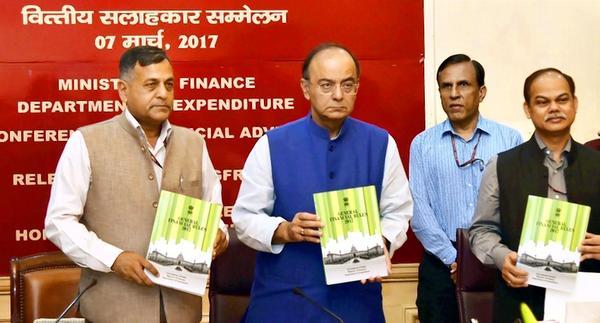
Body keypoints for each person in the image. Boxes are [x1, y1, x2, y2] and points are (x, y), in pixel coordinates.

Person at [44, 46, 228, 323]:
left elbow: (213, 209)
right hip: (112, 311)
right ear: (123, 90)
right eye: (151, 85)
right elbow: (59, 222)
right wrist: (114, 258)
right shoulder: (87, 142)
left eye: (169, 84)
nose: (163, 94)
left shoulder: (195, 144)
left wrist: (218, 234)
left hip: (183, 311)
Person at [231, 43, 413, 323]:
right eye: (326, 85)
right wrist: (285, 230)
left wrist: (383, 243)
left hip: (355, 304)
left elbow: (398, 211)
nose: (338, 95)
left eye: (347, 85)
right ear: (306, 88)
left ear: (357, 88)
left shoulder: (380, 144)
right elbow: (244, 218)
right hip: (285, 303)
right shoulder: (272, 145)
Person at [469, 68, 600, 322]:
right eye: (542, 102)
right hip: (522, 301)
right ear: (527, 109)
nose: (553, 108)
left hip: (589, 303)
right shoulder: (501, 166)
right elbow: (481, 230)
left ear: (575, 104)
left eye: (562, 99)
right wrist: (501, 257)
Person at [409, 54, 522, 323]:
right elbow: (419, 212)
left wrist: (490, 255)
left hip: (498, 261)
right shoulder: (422, 144)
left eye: (463, 85)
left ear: (481, 92)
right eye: (446, 87)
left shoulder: (510, 139)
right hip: (441, 264)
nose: (454, 94)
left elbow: (518, 205)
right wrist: (453, 260)